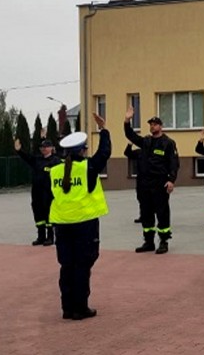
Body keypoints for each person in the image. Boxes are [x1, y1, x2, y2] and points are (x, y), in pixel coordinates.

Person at [49, 113, 110, 320]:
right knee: (82, 266)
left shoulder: (55, 170)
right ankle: (80, 308)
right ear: (83, 150)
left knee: (66, 266)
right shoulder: (87, 167)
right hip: (84, 224)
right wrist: (103, 130)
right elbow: (104, 152)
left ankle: (67, 308)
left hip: (61, 224)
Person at [124, 107, 180, 255]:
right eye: (150, 124)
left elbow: (174, 163)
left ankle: (163, 241)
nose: (152, 126)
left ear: (160, 126)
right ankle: (148, 241)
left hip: (159, 183)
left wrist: (171, 180)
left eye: (155, 124)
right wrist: (127, 121)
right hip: (144, 184)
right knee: (146, 213)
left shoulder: (168, 143)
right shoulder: (146, 141)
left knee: (162, 213)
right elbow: (131, 136)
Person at [15, 132, 61, 246]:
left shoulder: (56, 161)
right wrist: (19, 150)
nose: (43, 149)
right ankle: (41, 236)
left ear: (51, 148)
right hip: (37, 191)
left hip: (49, 192)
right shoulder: (37, 159)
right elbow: (27, 158)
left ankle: (50, 237)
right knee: (38, 214)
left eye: (46, 147)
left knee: (48, 214)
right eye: (42, 147)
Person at [123, 144, 144, 224]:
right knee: (141, 198)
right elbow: (127, 153)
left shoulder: (152, 152)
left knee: (150, 199)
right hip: (141, 178)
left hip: (151, 178)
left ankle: (150, 215)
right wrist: (129, 145)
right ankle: (143, 216)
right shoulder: (140, 152)